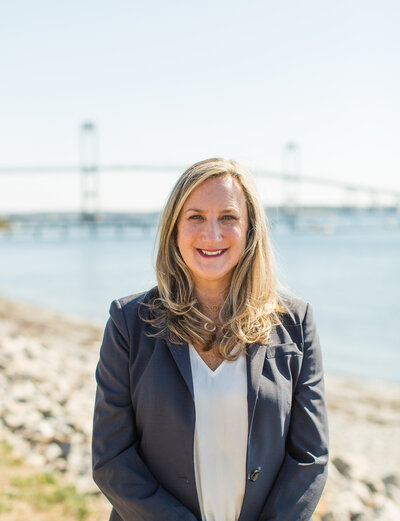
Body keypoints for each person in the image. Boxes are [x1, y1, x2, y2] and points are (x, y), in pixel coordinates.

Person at [92, 158, 329, 521]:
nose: (212, 234)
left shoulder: (295, 322)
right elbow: (112, 458)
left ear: (250, 230)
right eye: (196, 217)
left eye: (229, 218)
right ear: (174, 228)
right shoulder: (129, 323)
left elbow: (310, 458)